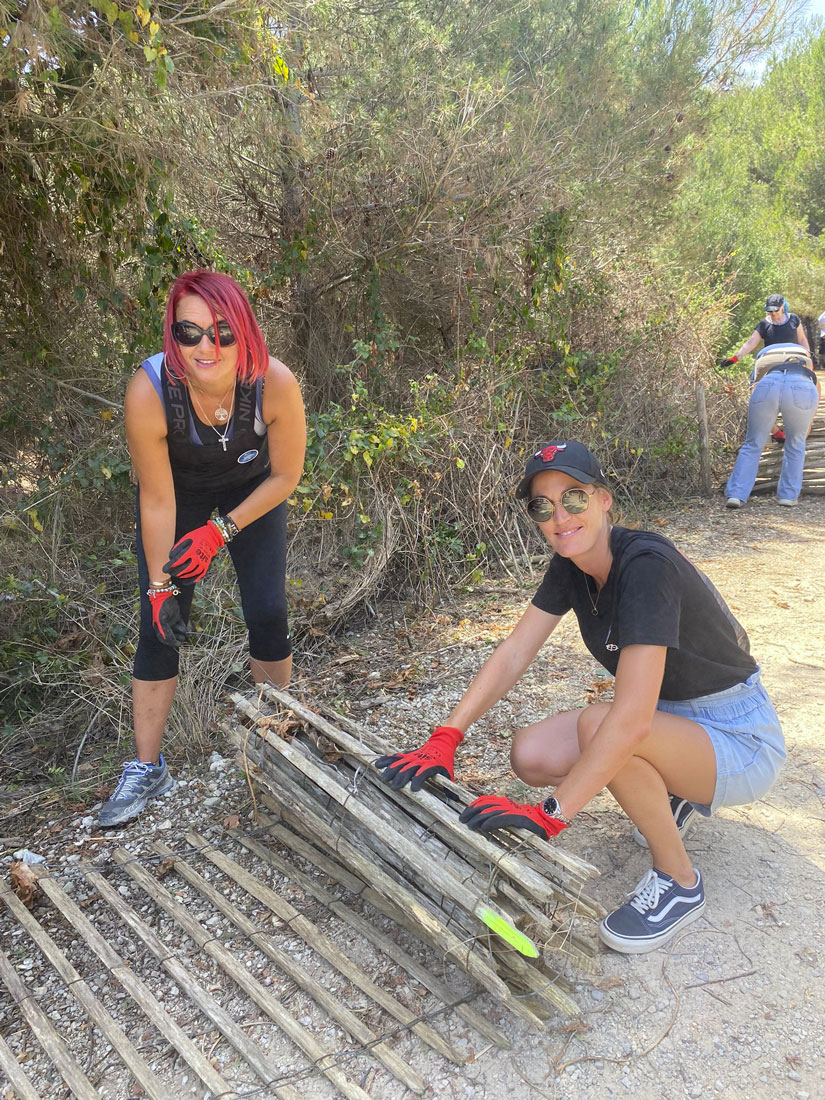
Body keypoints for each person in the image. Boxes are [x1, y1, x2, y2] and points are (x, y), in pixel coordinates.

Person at [376, 441, 785, 954]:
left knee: (603, 726)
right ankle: (673, 790)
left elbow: (631, 721)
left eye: (573, 498)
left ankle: (680, 882)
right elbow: (513, 654)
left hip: (738, 735)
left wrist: (551, 813)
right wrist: (446, 737)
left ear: (604, 500)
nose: (559, 517)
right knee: (531, 753)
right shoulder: (571, 564)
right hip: (671, 720)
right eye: (542, 507)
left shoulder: (646, 566)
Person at [99, 270, 306, 826]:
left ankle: (274, 738)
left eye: (222, 332)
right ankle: (147, 769)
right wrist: (160, 586)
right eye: (189, 334)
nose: (206, 347)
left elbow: (285, 477)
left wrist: (222, 532)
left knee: (267, 610)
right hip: (178, 496)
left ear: (246, 334)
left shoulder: (275, 383)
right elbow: (157, 500)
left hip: (252, 493)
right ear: (173, 336)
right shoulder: (150, 390)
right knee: (158, 622)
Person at [722, 294, 819, 508]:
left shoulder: (794, 320)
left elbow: (803, 340)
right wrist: (735, 357)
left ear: (783, 307)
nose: (772, 313)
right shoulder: (764, 325)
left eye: (775, 309)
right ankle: (788, 495)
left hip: (770, 377)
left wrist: (809, 352)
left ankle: (736, 494)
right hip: (799, 380)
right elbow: (750, 343)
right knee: (796, 442)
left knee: (753, 442)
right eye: (770, 310)